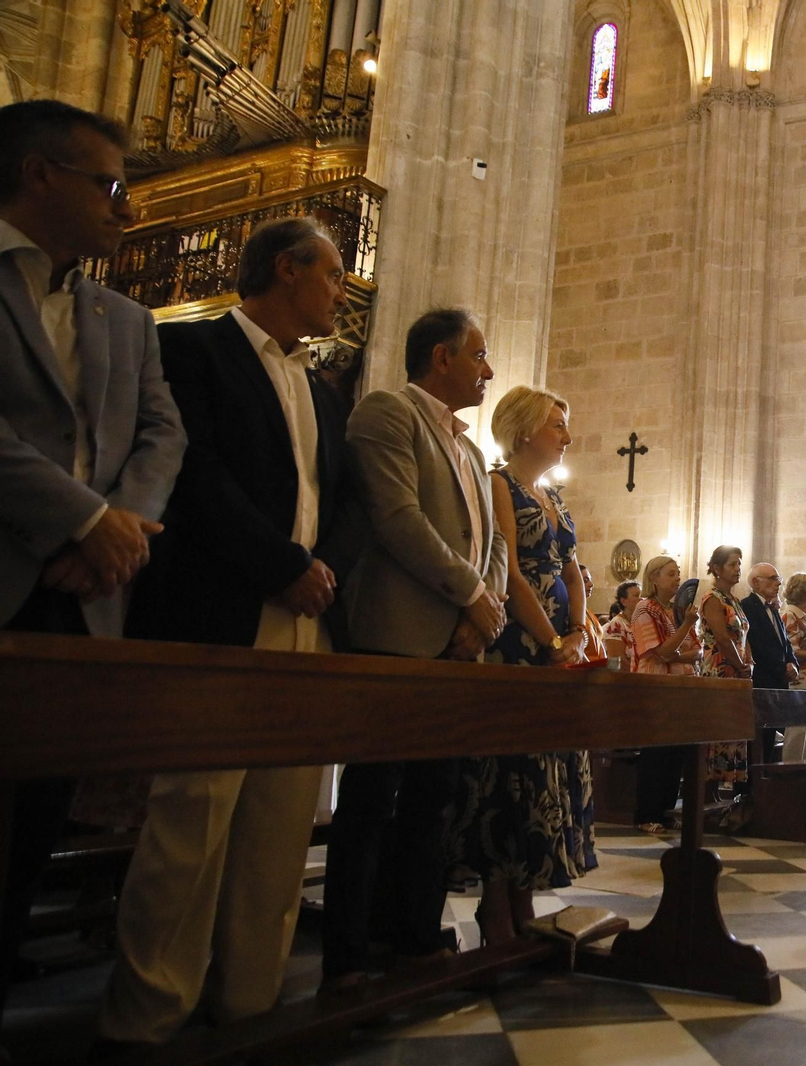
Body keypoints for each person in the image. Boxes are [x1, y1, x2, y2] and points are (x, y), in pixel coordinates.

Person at [98, 218, 364, 1046]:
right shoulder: (192, 352)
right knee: (192, 821)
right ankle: (147, 1015)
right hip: (220, 610)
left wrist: (322, 571)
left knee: (280, 823)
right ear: (286, 271)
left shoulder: (323, 389)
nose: (339, 292)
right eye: (329, 275)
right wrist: (279, 563)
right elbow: (195, 476)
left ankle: (250, 1000)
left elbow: (341, 499)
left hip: (305, 618)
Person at [0, 99, 185, 1035]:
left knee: (37, 815)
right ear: (38, 175)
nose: (128, 209)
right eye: (110, 185)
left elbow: (162, 434)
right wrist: (82, 521)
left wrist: (123, 529)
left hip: (87, 600)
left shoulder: (126, 317)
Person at [320, 308, 509, 991]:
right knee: (371, 798)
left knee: (436, 796)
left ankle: (415, 935)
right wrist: (471, 597)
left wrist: (482, 613)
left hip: (457, 647)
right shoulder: (387, 413)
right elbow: (398, 518)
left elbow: (490, 547)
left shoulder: (471, 447)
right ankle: (347, 952)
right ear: (440, 357)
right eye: (479, 356)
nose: (487, 370)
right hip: (394, 636)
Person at [443, 386, 597, 948]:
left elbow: (574, 569)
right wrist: (552, 637)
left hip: (562, 641)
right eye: (557, 423)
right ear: (526, 429)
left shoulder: (553, 496)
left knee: (549, 765)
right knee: (511, 769)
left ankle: (528, 890)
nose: (566, 434)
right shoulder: (499, 483)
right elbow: (507, 565)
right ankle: (496, 900)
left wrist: (578, 630)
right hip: (518, 639)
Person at [631, 555, 701, 832]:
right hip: (655, 688)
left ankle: (666, 809)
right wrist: (684, 629)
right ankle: (647, 814)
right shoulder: (644, 610)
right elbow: (658, 651)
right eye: (671, 574)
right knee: (655, 753)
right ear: (654, 578)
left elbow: (697, 651)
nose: (677, 579)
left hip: (681, 689)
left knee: (676, 752)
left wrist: (676, 655)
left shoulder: (675, 610)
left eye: (678, 573)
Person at [697, 545, 754, 821]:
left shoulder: (735, 600)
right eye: (732, 564)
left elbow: (744, 636)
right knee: (716, 732)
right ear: (717, 568)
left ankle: (721, 789)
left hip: (737, 672)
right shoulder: (712, 598)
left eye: (739, 564)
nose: (737, 568)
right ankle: (706, 791)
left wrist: (749, 663)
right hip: (719, 671)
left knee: (732, 732)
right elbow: (721, 636)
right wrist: (739, 664)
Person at [741, 562, 801, 690]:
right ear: (756, 582)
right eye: (773, 578)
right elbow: (757, 644)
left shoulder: (772, 607)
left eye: (778, 579)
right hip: (762, 681)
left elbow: (784, 641)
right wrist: (782, 668)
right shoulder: (747, 607)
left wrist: (792, 662)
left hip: (778, 682)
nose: (779, 583)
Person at [780, 571, 806, 763]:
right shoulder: (790, 615)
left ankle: (803, 770)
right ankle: (791, 770)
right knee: (797, 732)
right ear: (802, 591)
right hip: (799, 680)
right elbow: (792, 650)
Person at [601, 580, 641, 670]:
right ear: (623, 601)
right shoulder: (617, 624)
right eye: (636, 595)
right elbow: (617, 660)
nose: (641, 599)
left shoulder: (641, 622)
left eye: (642, 596)